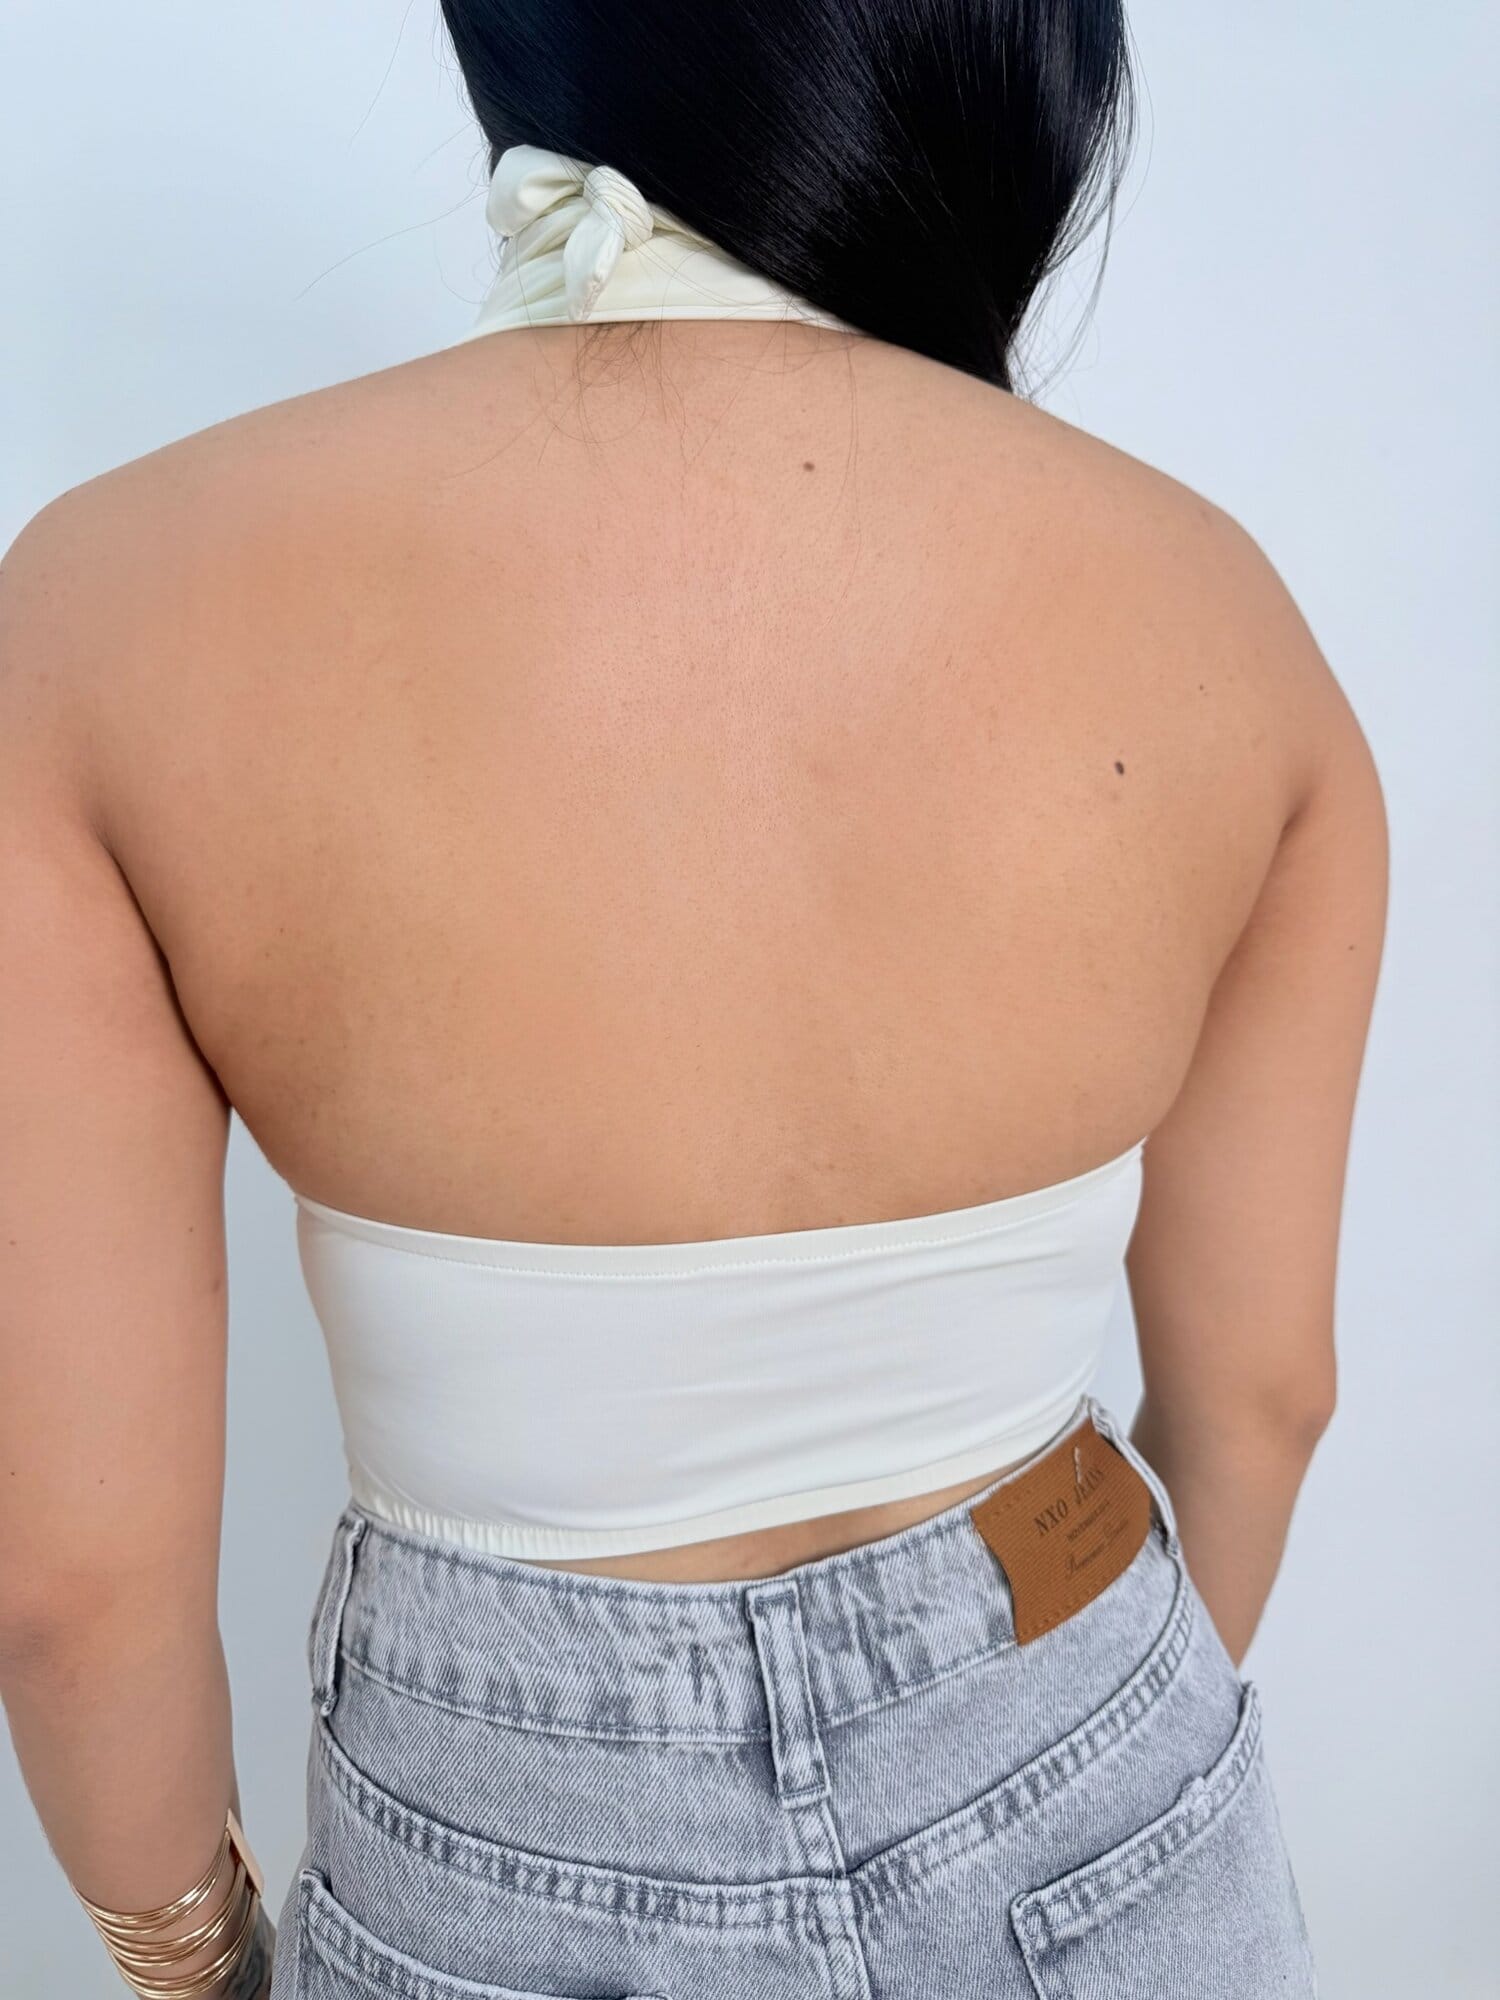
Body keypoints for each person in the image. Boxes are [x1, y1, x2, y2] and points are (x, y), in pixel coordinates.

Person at [0, 3, 1388, 1996]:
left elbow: (73, 1589)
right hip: (1092, 1743)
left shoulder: (99, 609)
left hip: (493, 1840)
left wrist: (195, 1960)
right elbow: (1264, 1403)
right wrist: (1079, 1747)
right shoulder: (1222, 609)